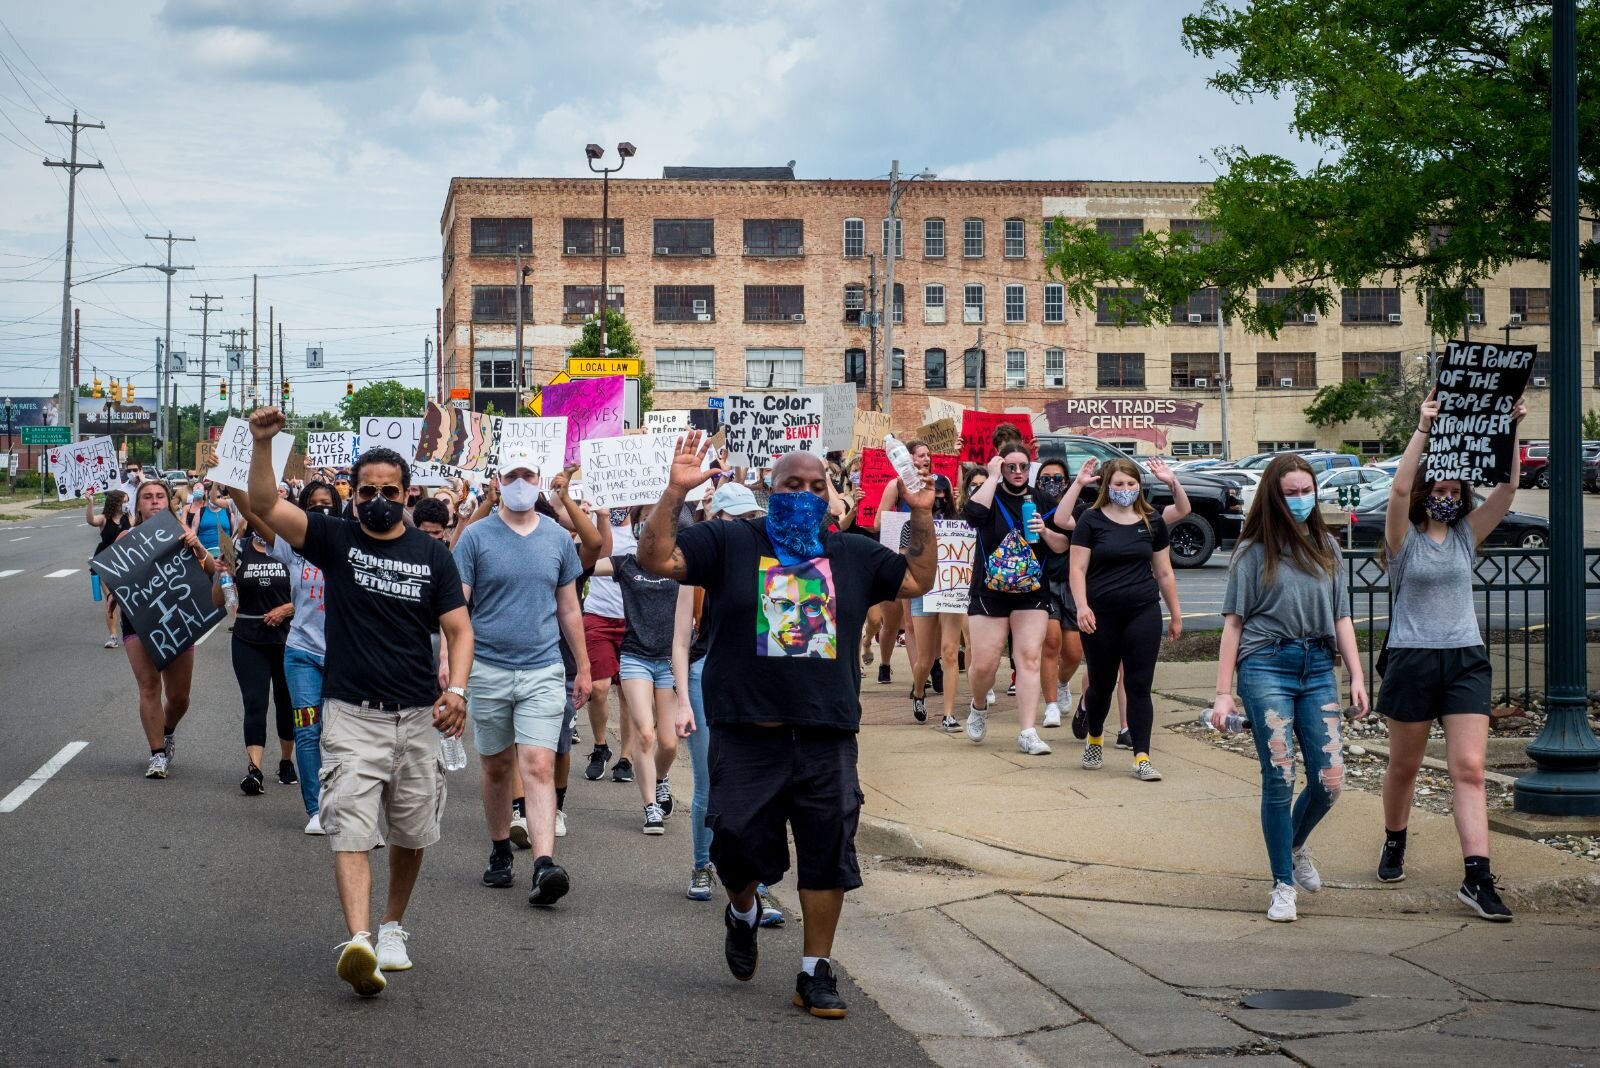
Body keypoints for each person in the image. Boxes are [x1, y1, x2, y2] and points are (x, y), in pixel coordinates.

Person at [638, 434, 935, 1020]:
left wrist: (920, 512)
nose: (803, 494)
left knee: (829, 851)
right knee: (737, 847)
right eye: (790, 486)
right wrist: (675, 490)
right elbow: (656, 559)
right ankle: (742, 910)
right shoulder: (728, 541)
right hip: (747, 731)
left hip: (826, 734)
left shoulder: (851, 553)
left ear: (832, 496)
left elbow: (917, 580)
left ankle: (814, 971)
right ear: (767, 493)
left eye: (816, 486)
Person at [245, 406, 474, 998]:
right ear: (351, 495)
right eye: (366, 489)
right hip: (350, 713)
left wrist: (457, 690)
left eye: (388, 491)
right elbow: (267, 506)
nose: (377, 498)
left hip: (418, 716)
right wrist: (262, 444)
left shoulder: (433, 557)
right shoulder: (334, 538)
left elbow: (459, 629)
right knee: (348, 824)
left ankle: (393, 926)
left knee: (411, 831)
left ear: (407, 494)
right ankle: (360, 941)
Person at [1376, 391, 1526, 922]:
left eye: (1453, 490)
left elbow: (1507, 490)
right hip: (1412, 659)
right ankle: (1395, 839)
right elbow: (1397, 487)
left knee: (1469, 768)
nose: (1446, 496)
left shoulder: (1465, 536)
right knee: (1405, 766)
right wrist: (1422, 427)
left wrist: (1509, 432)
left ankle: (1477, 877)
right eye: (1438, 489)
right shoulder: (1404, 541)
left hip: (1464, 657)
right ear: (1425, 493)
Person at [1212, 455, 1368, 921]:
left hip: (1318, 665)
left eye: (1306, 490)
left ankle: (1295, 844)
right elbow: (1233, 624)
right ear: (1273, 497)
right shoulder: (1253, 551)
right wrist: (1224, 692)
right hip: (1266, 664)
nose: (1300, 499)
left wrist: (1357, 675)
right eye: (1290, 492)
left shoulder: (1326, 545)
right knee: (1279, 775)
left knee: (1330, 779)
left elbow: (1341, 615)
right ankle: (1282, 883)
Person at [453, 449, 591, 905]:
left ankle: (544, 864)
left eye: (526, 474)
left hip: (543, 669)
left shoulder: (556, 538)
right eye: (510, 474)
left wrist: (584, 667)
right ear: (498, 480)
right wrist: (449, 665)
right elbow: (458, 609)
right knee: (496, 767)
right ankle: (498, 851)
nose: (518, 481)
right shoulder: (475, 539)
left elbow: (570, 608)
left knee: (537, 764)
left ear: (537, 479)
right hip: (488, 669)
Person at [1069, 457, 1182, 781]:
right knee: (1101, 685)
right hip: (1100, 615)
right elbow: (1077, 568)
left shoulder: (1151, 521)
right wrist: (1082, 606)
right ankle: (1094, 738)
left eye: (1131, 484)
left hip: (1142, 610)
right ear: (1108, 486)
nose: (1125, 489)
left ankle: (1142, 756)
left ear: (1139, 486)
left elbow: (1163, 571)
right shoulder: (1091, 521)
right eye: (1119, 484)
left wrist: (1175, 614)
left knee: (1138, 685)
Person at [236, 480, 337, 834]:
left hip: (344, 656)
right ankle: (316, 810)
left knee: (339, 734)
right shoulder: (293, 549)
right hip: (302, 654)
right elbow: (252, 511)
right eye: (313, 504)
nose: (321, 510)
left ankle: (343, 799)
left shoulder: (352, 546)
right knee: (307, 730)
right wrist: (232, 477)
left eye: (328, 503)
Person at [962, 441, 1066, 756]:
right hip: (989, 591)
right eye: (1011, 466)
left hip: (1032, 592)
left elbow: (1063, 545)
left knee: (1029, 660)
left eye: (1023, 466)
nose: (1018, 472)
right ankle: (979, 706)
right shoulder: (989, 494)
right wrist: (991, 477)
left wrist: (1045, 532)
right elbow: (973, 514)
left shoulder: (1043, 500)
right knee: (984, 664)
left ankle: (1027, 731)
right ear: (1001, 466)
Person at [592, 505, 686, 835]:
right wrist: (598, 518)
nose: (651, 535)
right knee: (645, 733)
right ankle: (651, 807)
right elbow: (585, 563)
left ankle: (661, 779)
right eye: (646, 528)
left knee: (669, 743)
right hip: (635, 658)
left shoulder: (683, 567)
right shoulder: (626, 565)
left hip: (670, 663)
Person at [117, 480, 217, 778]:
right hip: (139, 621)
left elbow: (212, 570)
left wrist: (198, 548)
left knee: (179, 697)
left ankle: (168, 730)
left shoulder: (183, 533)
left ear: (169, 502)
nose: (154, 501)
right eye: (147, 497)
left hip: (179, 619)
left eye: (160, 496)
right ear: (138, 505)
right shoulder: (126, 536)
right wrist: (111, 597)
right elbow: (112, 576)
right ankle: (157, 755)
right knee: (149, 687)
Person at [212, 527, 296, 795]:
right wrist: (220, 574)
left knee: (286, 703)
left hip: (288, 640)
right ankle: (254, 769)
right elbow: (218, 601)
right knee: (254, 703)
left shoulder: (292, 547)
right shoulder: (239, 548)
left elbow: (313, 590)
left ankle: (286, 761)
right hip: (248, 639)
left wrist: (287, 609)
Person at [580, 508, 636, 784]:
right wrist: (599, 516)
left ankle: (626, 758)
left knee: (628, 692)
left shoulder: (643, 526)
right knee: (599, 687)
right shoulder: (593, 520)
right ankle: (600, 747)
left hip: (633, 619)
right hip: (598, 615)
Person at [86, 489, 131, 648]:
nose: (125, 504)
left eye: (127, 501)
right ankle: (113, 637)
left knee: (127, 601)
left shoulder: (129, 518)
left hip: (126, 564)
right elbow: (91, 520)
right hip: (106, 564)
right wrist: (90, 503)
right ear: (115, 502)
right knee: (110, 600)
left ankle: (126, 623)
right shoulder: (104, 519)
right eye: (123, 501)